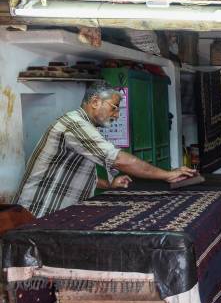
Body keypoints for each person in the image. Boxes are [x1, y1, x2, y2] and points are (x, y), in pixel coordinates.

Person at [12, 82, 197, 218]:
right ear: (95, 102)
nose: (116, 115)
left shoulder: (88, 127)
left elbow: (80, 174)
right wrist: (167, 175)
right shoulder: (75, 125)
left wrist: (109, 185)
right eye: (114, 108)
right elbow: (119, 159)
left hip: (57, 211)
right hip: (39, 211)